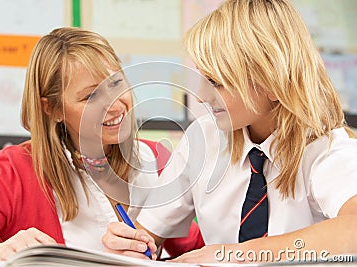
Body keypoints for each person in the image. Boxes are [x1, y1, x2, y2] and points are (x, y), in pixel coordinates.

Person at [102, 0, 357, 263]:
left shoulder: (328, 150)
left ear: (272, 83)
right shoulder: (203, 138)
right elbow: (149, 234)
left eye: (216, 83)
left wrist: (232, 255)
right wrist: (129, 244)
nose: (200, 97)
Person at [0, 27, 203, 262]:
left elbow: (195, 248)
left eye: (116, 83)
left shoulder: (155, 158)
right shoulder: (15, 170)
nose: (116, 105)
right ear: (52, 108)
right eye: (91, 96)